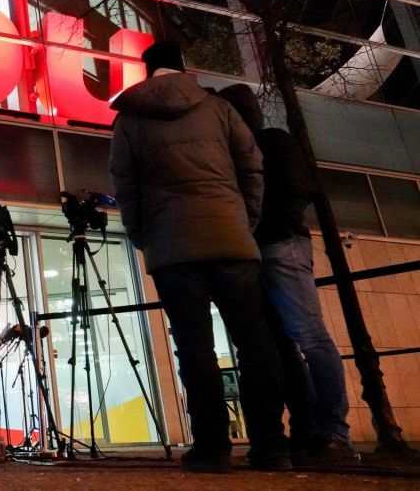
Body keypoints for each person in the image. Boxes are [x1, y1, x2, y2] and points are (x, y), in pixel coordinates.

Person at [108, 41, 288, 473]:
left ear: (146, 70)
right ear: (184, 66)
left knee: (194, 348)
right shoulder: (218, 109)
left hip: (172, 246)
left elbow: (124, 182)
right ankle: (270, 446)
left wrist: (142, 235)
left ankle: (211, 447)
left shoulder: (131, 118)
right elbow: (252, 165)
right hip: (230, 237)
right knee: (254, 341)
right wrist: (245, 220)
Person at [219, 84, 355, 464]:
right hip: (270, 245)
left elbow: (298, 189)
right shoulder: (265, 143)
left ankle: (331, 431)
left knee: (305, 338)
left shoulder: (269, 144)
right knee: (290, 342)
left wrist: (268, 225)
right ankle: (314, 429)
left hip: (276, 244)